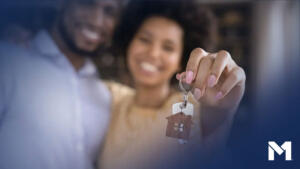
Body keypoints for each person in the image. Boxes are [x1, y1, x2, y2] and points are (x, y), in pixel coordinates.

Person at [99, 0, 246, 169]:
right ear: (129, 43)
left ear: (180, 60)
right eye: (145, 40)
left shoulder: (193, 109)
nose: (153, 53)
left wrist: (219, 109)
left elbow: (213, 122)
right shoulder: (113, 99)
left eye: (168, 47)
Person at [0, 0, 122, 169]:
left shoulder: (104, 95)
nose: (97, 20)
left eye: (109, 12)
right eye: (87, 3)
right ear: (62, 3)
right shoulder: (10, 62)